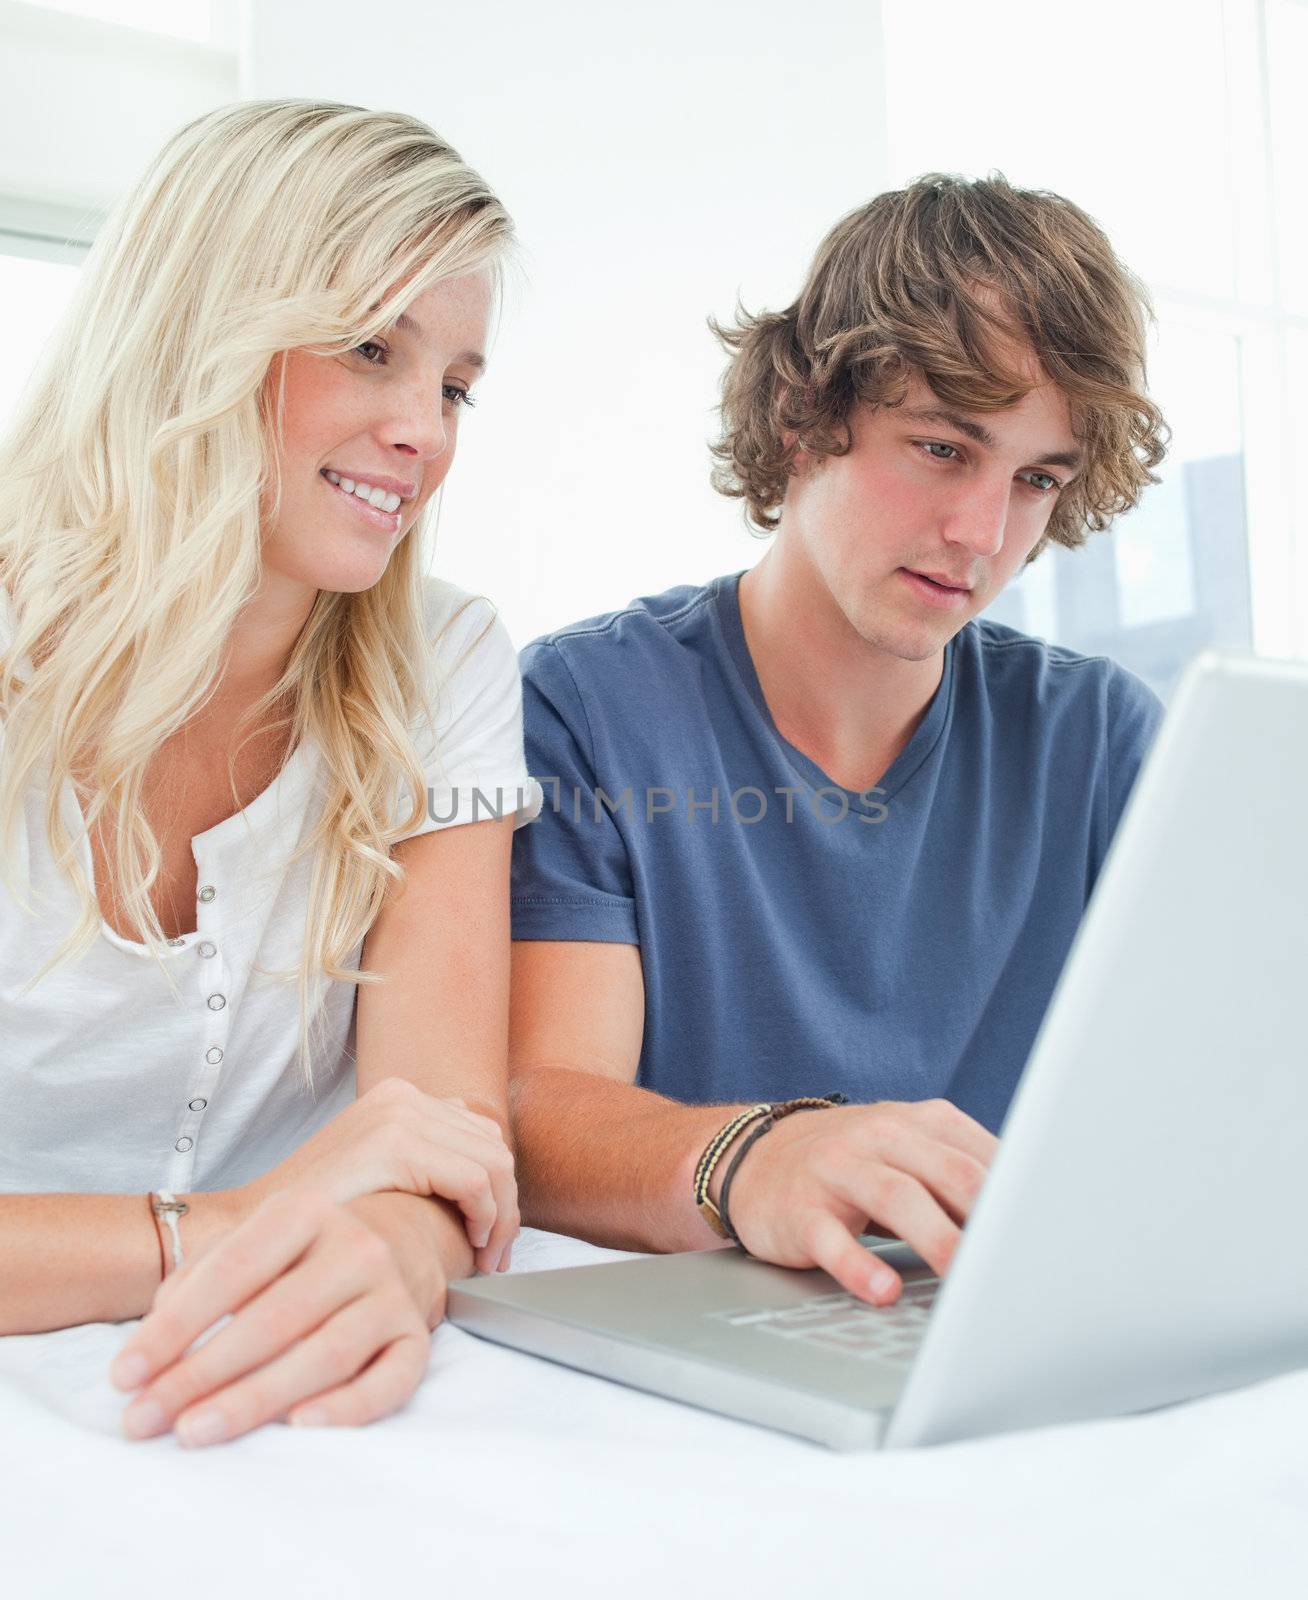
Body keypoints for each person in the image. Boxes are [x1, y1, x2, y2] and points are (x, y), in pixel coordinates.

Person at [507, 173, 1169, 1305]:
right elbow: (537, 1111)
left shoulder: (1100, 739)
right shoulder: (588, 706)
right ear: (803, 420)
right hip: (710, 1329)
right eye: (942, 449)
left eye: (1036, 480)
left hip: (992, 1321)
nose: (981, 535)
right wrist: (756, 1155)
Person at [0, 99, 541, 1445]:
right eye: (373, 349)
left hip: (283, 1393)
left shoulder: (450, 657)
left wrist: (400, 1254)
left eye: (457, 384)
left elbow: (443, 1145)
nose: (426, 432)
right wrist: (237, 1228)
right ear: (200, 329)